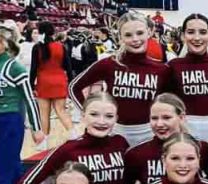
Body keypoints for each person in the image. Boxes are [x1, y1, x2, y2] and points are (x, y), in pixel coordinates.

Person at [18, 92, 130, 184]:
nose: (101, 121)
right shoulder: (68, 150)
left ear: (116, 118)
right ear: (83, 116)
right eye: (94, 114)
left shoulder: (120, 144)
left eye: (109, 116)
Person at [69, 12, 170, 146]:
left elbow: (173, 104)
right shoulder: (109, 64)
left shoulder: (161, 70)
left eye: (140, 33)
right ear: (120, 37)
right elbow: (73, 87)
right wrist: (88, 114)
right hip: (114, 133)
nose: (135, 39)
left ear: (149, 32)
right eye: (128, 35)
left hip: (149, 134)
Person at [0, 24, 44, 184]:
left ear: (5, 43)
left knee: (0, 171)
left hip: (10, 122)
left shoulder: (14, 67)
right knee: (13, 167)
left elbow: (29, 99)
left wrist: (36, 127)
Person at [124, 93, 208, 184]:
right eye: (154, 118)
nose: (159, 124)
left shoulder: (202, 148)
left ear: (181, 117)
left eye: (166, 118)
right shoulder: (136, 154)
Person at [168, 14, 208, 144]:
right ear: (183, 36)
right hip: (185, 127)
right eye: (190, 32)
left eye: (202, 32)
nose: (197, 37)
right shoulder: (173, 66)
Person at [30, 21, 74, 146]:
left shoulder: (37, 47)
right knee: (61, 110)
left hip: (43, 82)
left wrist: (31, 85)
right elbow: (68, 67)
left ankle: (43, 143)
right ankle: (74, 134)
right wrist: (70, 82)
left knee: (44, 114)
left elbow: (33, 69)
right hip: (59, 81)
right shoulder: (61, 46)